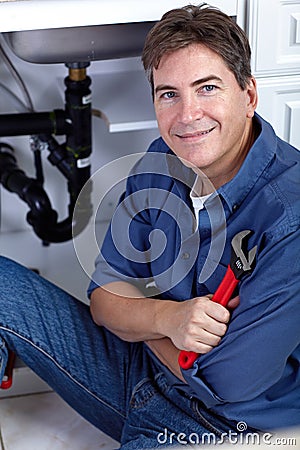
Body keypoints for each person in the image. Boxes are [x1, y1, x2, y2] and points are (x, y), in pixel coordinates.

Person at [0, 4, 299, 448]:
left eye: (207, 88)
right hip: (136, 373)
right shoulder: (163, 159)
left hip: (223, 425)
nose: (187, 115)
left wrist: (137, 322)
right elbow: (104, 300)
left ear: (249, 95)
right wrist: (170, 318)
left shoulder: (289, 219)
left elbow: (227, 383)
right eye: (169, 94)